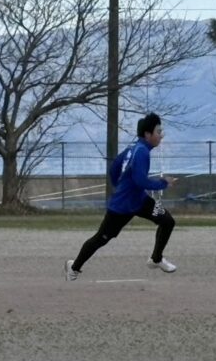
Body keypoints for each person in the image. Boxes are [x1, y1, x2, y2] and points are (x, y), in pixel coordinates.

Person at [65, 113, 178, 280]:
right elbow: (140, 180)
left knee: (167, 221)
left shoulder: (133, 148)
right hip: (122, 206)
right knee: (101, 238)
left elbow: (114, 169)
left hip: (140, 201)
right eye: (158, 132)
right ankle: (73, 268)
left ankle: (156, 259)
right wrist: (163, 183)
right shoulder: (141, 152)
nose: (161, 135)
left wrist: (118, 185)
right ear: (147, 134)